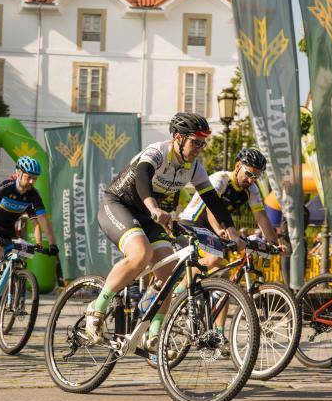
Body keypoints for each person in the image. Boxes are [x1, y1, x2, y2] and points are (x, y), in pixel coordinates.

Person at [86, 112, 243, 351]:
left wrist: (232, 232)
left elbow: (213, 201)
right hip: (119, 204)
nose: (200, 148)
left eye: (203, 143)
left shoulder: (193, 168)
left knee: (169, 272)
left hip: (149, 215)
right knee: (141, 254)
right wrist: (153, 207)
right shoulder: (158, 151)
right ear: (178, 138)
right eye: (195, 142)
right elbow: (142, 177)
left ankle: (154, 334)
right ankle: (97, 308)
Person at [177, 146, 280, 341]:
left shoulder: (251, 189)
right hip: (191, 225)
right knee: (216, 258)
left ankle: (218, 334)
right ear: (238, 166)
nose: (251, 180)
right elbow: (210, 207)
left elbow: (261, 216)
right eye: (249, 174)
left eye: (256, 177)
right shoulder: (220, 179)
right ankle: (179, 291)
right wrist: (220, 231)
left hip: (213, 231)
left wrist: (275, 243)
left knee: (224, 279)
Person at [0, 156, 58, 313]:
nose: (32, 181)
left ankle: (12, 298)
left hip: (8, 231)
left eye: (35, 178)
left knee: (20, 255)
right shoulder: (6, 186)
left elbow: (42, 221)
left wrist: (52, 244)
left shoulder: (33, 194)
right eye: (29, 177)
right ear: (18, 173)